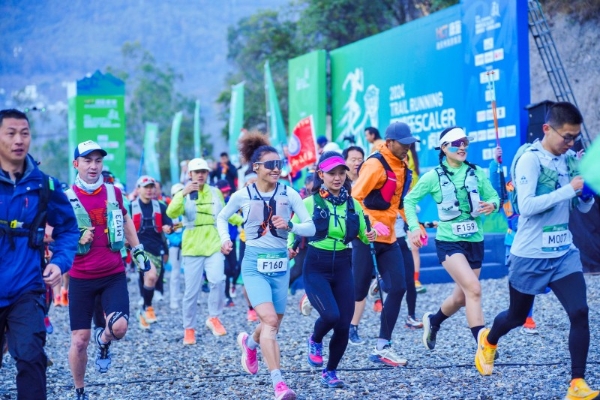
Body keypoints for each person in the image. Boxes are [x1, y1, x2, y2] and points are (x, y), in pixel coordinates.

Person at [474, 102, 598, 399]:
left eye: (575, 138)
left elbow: (581, 206)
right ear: (547, 129)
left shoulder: (569, 160)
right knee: (516, 317)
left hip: (563, 252)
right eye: (566, 137)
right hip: (529, 254)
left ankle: (576, 384)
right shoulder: (529, 159)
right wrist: (569, 190)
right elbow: (527, 207)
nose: (570, 144)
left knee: (580, 312)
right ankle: (488, 341)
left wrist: (585, 195)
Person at [217, 132, 315, 400]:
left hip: (281, 266)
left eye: (279, 164)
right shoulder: (243, 195)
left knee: (273, 324)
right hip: (254, 265)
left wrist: (292, 225)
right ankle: (279, 384)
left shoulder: (290, 193)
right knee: (270, 320)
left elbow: (311, 225)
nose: (276, 169)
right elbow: (222, 217)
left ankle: (249, 344)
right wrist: (225, 240)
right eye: (270, 164)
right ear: (256, 167)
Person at [0, 109, 79, 400]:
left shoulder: (45, 186)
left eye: (25, 133)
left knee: (32, 359)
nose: (19, 140)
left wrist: (59, 262)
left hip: (27, 289)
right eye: (10, 133)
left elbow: (69, 229)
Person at [66, 140, 149, 400]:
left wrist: (138, 250)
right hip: (80, 278)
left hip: (112, 273)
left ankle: (104, 341)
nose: (93, 166)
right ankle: (80, 390)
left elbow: (124, 220)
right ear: (76, 164)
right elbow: (52, 234)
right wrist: (75, 238)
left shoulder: (114, 192)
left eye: (98, 161)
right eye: (88, 161)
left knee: (120, 328)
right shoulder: (66, 198)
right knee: (80, 340)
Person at [404, 126, 499, 352]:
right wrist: (414, 227)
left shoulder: (476, 172)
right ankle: (484, 346)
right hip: (449, 242)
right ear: (444, 148)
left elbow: (494, 196)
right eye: (457, 143)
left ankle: (434, 321)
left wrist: (492, 205)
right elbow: (409, 200)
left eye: (465, 142)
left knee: (461, 297)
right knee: (474, 289)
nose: (462, 147)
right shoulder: (433, 176)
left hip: (474, 240)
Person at [289, 151, 376, 388]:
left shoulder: (353, 204)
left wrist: (371, 235)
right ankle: (315, 339)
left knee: (343, 325)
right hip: (316, 264)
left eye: (341, 173)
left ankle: (331, 371)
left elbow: (364, 237)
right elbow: (294, 229)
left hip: (343, 265)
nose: (337, 178)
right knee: (330, 315)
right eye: (331, 173)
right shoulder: (309, 202)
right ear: (321, 175)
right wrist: (291, 248)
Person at [350, 122, 418, 366]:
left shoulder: (402, 166)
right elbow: (354, 199)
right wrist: (367, 224)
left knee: (399, 287)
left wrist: (413, 226)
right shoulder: (375, 164)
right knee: (356, 292)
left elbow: (398, 204)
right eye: (404, 143)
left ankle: (382, 346)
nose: (408, 147)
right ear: (389, 142)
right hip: (365, 237)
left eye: (410, 143)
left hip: (389, 238)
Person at [166, 158, 242, 344]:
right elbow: (171, 213)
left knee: (218, 280)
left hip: (213, 244)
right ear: (190, 174)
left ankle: (214, 317)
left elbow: (225, 214)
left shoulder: (216, 192)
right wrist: (182, 194)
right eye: (197, 171)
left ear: (208, 174)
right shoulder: (184, 193)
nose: (200, 174)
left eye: (204, 171)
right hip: (192, 247)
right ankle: (189, 328)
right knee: (191, 291)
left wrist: (244, 222)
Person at [131, 175, 173, 328]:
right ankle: (148, 308)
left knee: (151, 278)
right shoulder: (130, 206)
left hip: (157, 249)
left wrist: (169, 228)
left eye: (151, 187)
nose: (149, 190)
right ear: (138, 189)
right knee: (150, 275)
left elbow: (170, 226)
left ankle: (142, 311)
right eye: (145, 187)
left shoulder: (161, 206)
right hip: (138, 249)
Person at [215, 179, 240, 307]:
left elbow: (237, 217)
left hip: (232, 239)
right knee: (226, 270)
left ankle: (232, 286)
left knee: (235, 268)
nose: (225, 195)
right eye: (223, 192)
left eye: (227, 192)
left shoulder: (232, 201)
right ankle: (227, 297)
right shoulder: (214, 202)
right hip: (219, 241)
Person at [167, 183, 185, 310]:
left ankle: (190, 298)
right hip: (175, 246)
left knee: (191, 273)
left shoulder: (189, 207)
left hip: (189, 245)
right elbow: (168, 230)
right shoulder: (170, 211)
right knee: (175, 273)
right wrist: (178, 241)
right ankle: (174, 299)